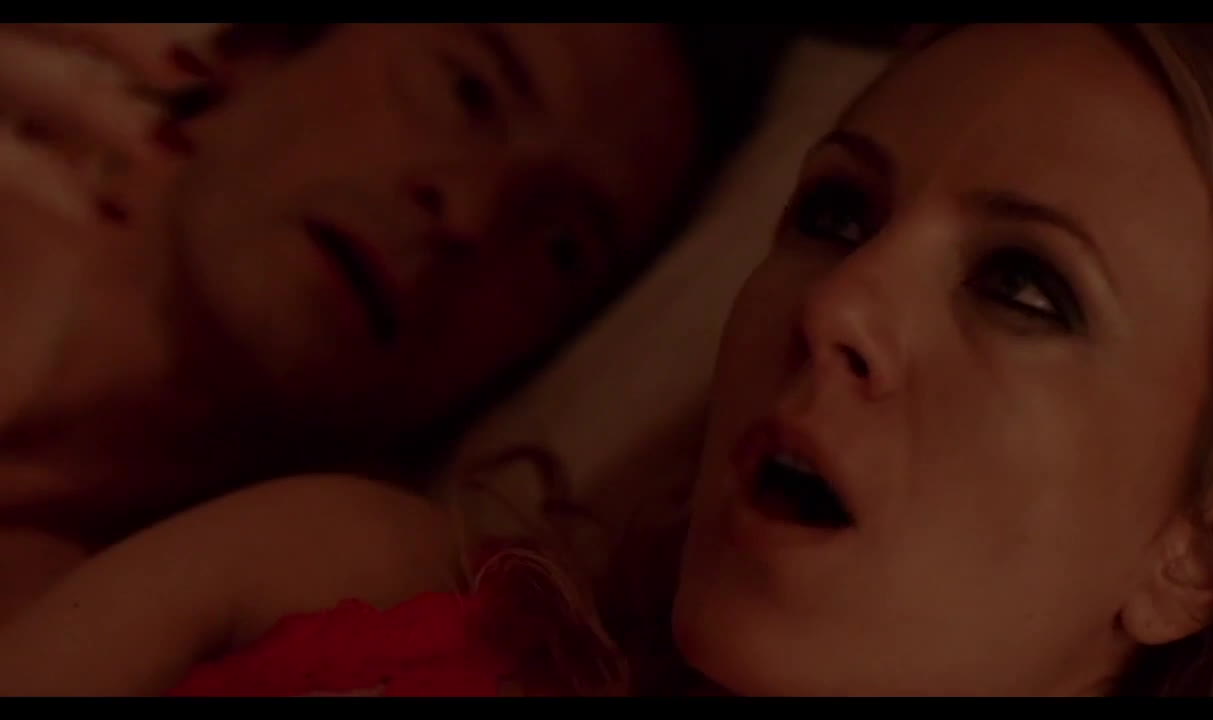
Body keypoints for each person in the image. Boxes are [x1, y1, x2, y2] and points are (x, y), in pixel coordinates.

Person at [3, 21, 1213, 696]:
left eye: (1023, 286)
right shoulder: (344, 581)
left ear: (1200, 550)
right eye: (836, 212)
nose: (838, 301)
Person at [0, 24, 787, 621]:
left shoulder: (156, 618)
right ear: (254, 51)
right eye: (470, 92)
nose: (471, 211)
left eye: (561, 246)